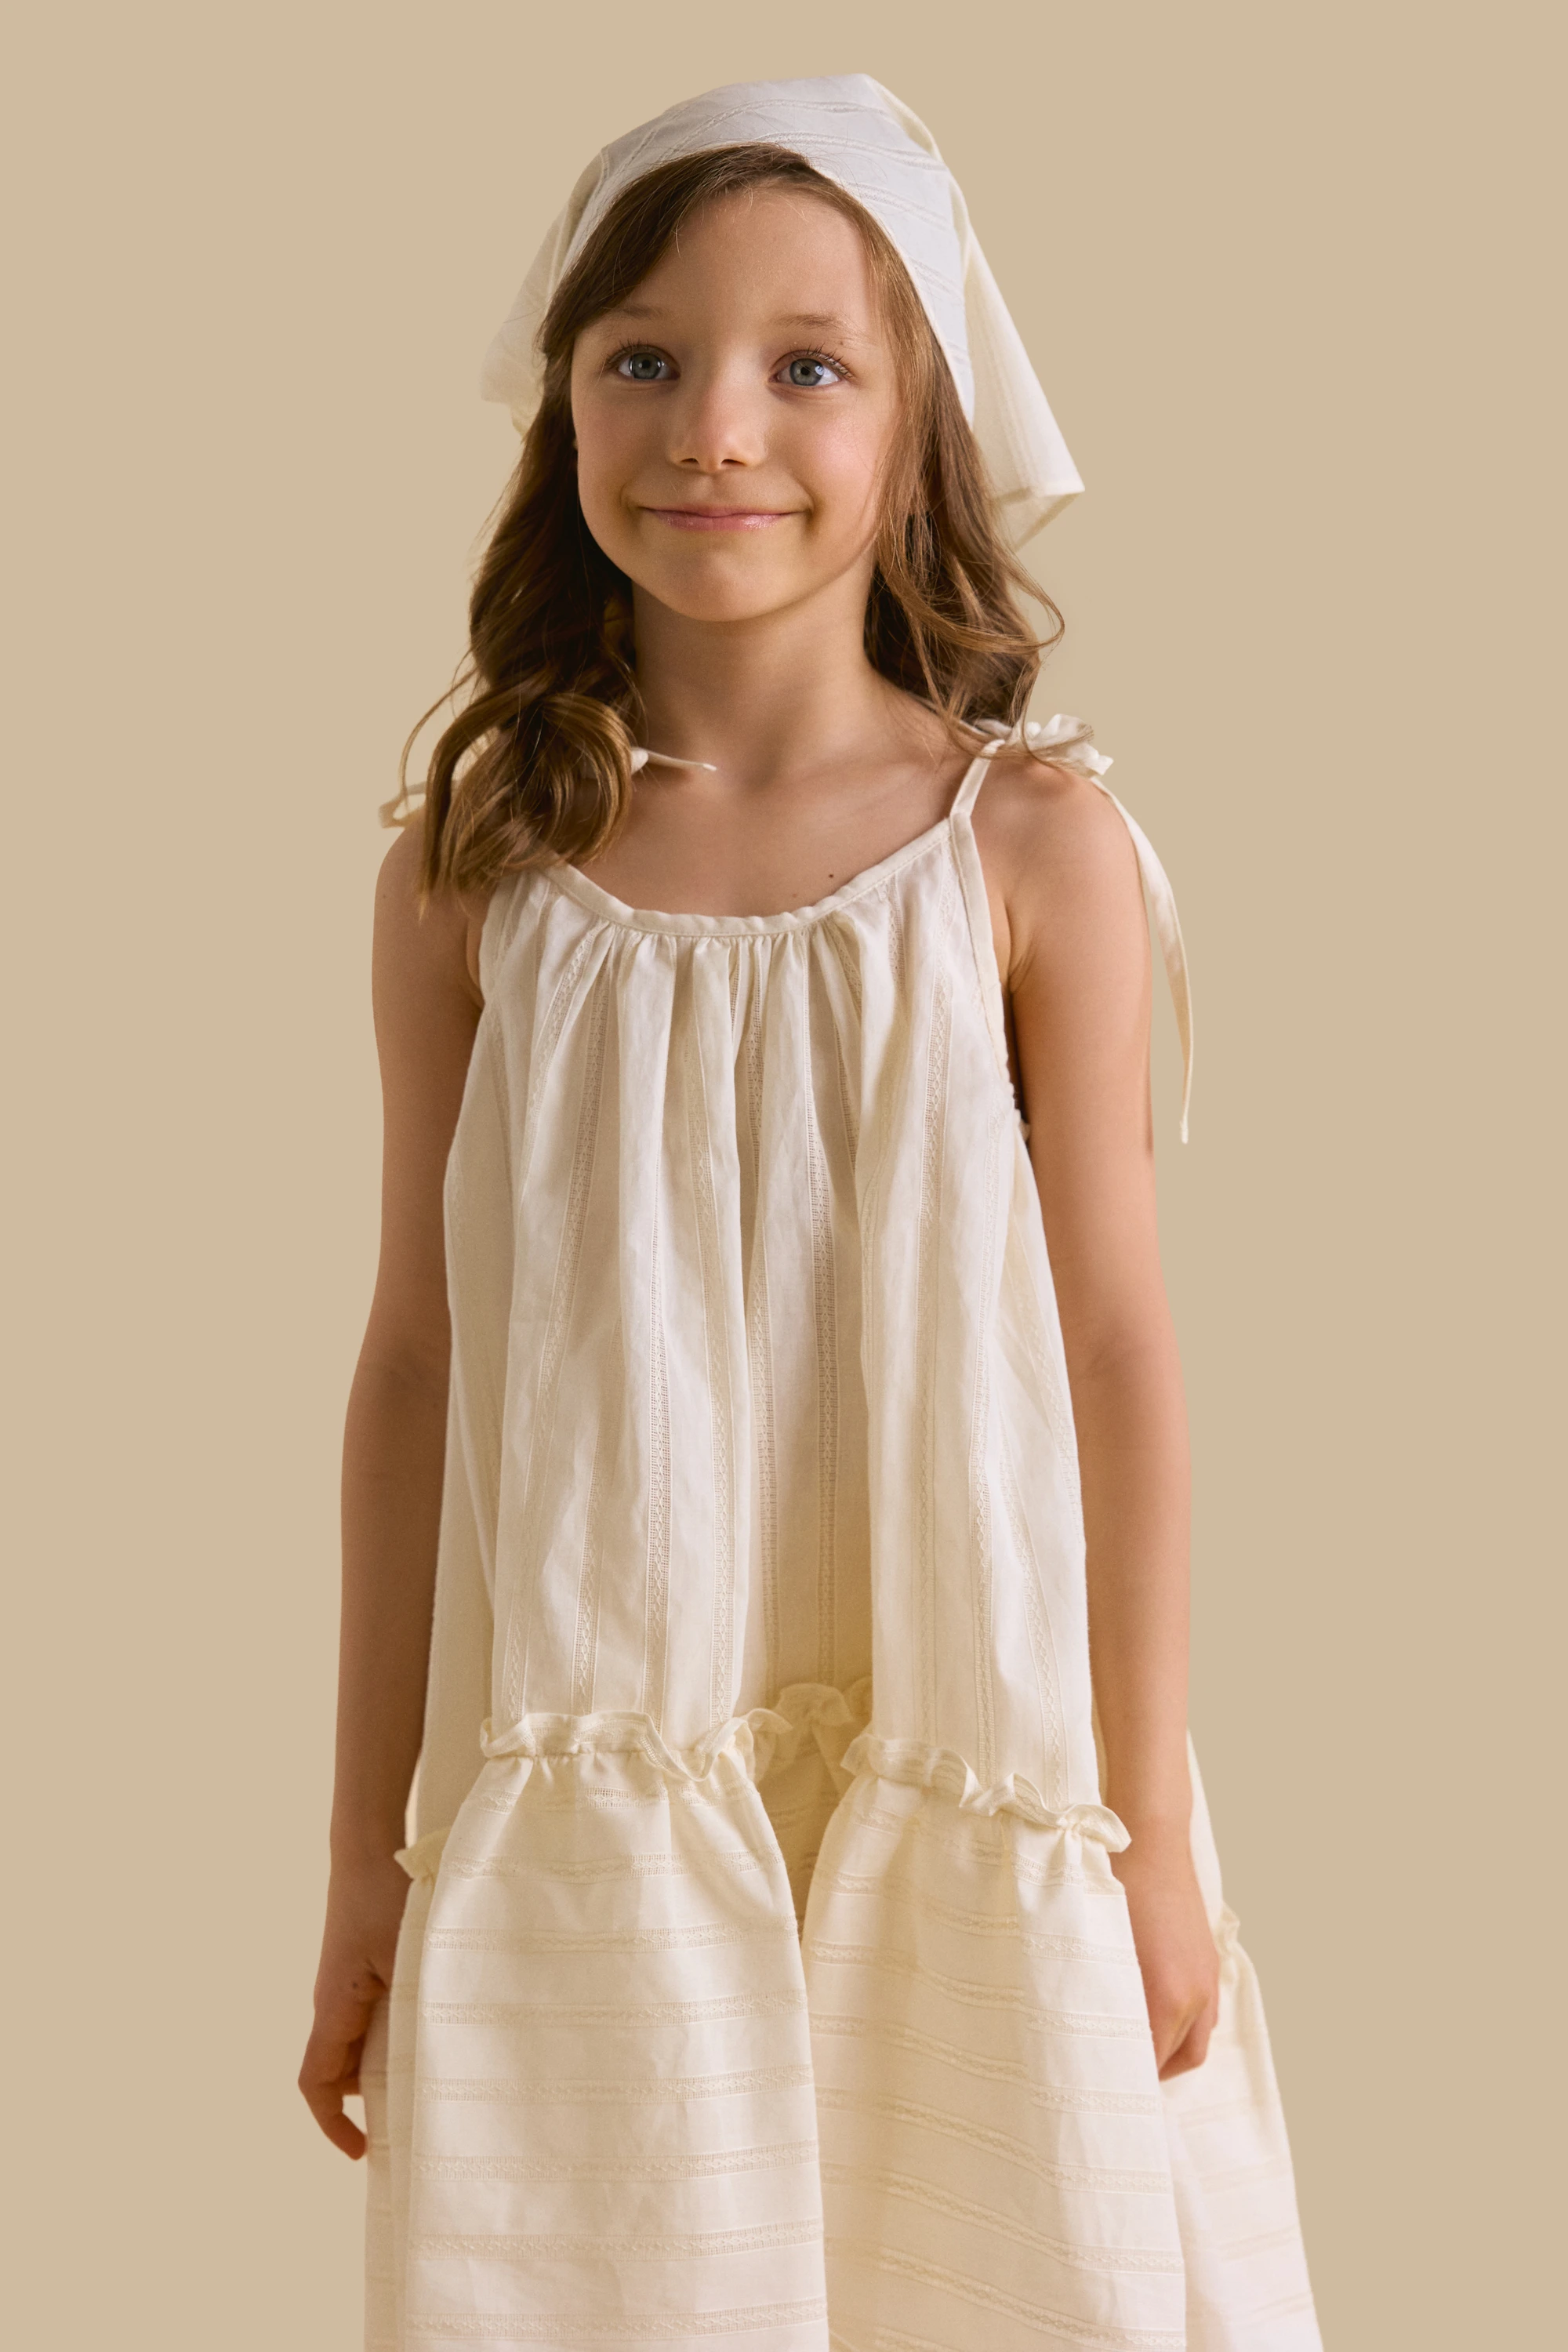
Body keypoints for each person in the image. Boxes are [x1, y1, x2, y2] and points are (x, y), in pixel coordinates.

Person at [299, 74, 1320, 2352]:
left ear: (917, 418)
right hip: (606, 1773)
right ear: (564, 397)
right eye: (644, 356)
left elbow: (1117, 1355)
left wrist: (1145, 1833)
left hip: (973, 1722)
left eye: (807, 365)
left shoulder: (1029, 854)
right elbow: (414, 1364)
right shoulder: (477, 869)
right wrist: (365, 1858)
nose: (715, 430)